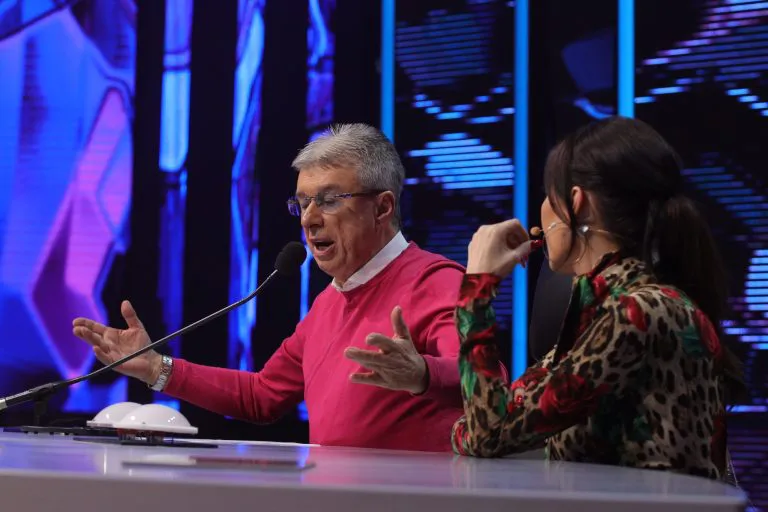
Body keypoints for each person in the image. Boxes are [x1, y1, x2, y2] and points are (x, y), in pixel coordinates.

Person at [73, 123, 465, 451]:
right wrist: (156, 368)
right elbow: (261, 396)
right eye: (302, 203)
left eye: (329, 200)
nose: (308, 219)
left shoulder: (435, 281)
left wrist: (422, 374)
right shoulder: (329, 302)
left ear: (382, 207)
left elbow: (484, 379)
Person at [451, 116, 745, 480]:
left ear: (576, 203)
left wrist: (477, 291)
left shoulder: (636, 313)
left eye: (548, 193)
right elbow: (484, 426)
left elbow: (486, 434)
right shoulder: (607, 313)